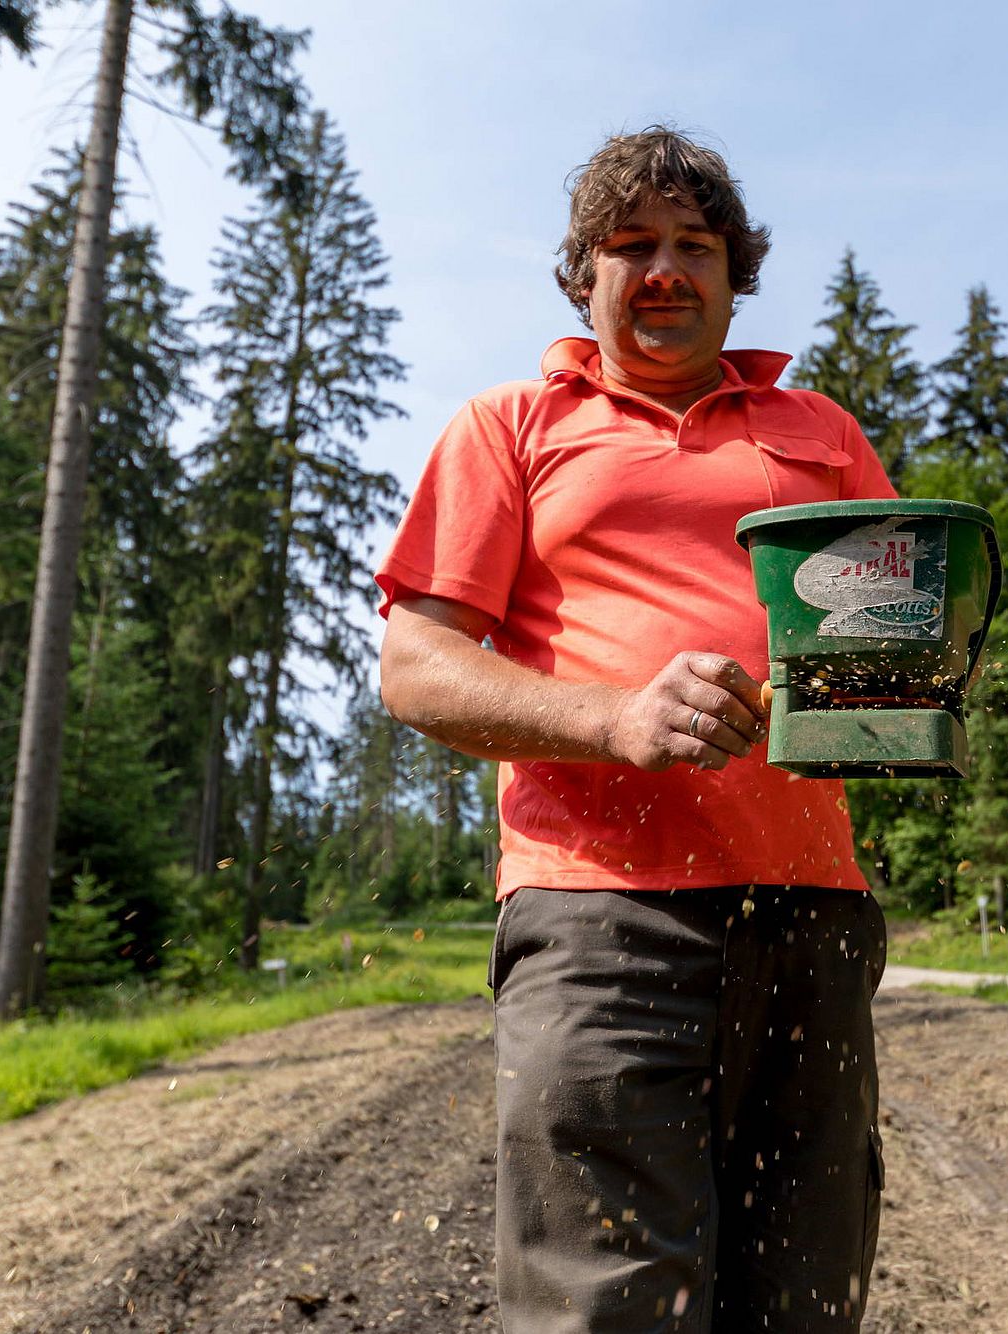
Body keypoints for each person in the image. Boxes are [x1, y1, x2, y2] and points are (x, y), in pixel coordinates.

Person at [374, 127, 896, 1332]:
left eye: (693, 244)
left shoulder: (818, 430)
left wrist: (902, 698)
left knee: (805, 1299)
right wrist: (616, 715)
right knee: (603, 1309)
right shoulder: (510, 425)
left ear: (734, 270)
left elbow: (886, 644)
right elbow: (415, 666)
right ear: (583, 275)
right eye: (630, 245)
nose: (663, 269)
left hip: (811, 911)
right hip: (599, 917)